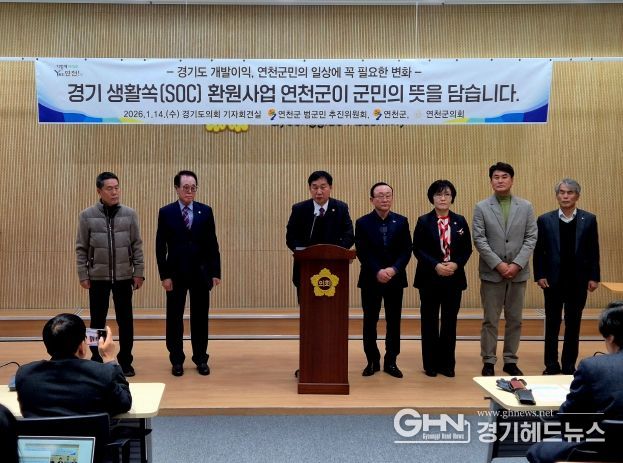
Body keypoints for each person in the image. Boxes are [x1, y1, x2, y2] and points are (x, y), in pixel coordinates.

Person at [527, 302, 623, 463]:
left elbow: (569, 418)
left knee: (536, 451)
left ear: (611, 337)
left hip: (598, 449)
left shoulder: (592, 366)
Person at [76, 171, 144, 377]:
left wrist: (139, 271)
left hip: (124, 276)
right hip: (98, 277)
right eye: (109, 189)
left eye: (117, 188)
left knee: (126, 321)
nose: (114, 192)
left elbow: (137, 245)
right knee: (96, 321)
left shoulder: (130, 214)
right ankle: (96, 358)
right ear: (99, 191)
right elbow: (81, 248)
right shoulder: (86, 215)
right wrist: (83, 274)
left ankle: (126, 360)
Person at [472, 162, 537, 376]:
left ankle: (510, 360)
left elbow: (531, 237)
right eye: (496, 177)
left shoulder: (526, 206)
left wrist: (517, 264)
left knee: (515, 319)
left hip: (518, 273)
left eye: (504, 176)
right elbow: (479, 239)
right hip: (492, 273)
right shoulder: (482, 207)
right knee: (490, 320)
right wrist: (499, 264)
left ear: (512, 179)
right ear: (491, 181)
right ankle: (489, 360)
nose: (500, 180)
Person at [156, 170, 221, 377]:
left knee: (200, 318)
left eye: (193, 188)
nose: (189, 191)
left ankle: (201, 358)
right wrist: (164, 275)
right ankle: (176, 359)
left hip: (201, 274)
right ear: (177, 188)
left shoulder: (205, 211)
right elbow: (160, 247)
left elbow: (212, 244)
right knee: (174, 318)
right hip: (175, 274)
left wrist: (215, 271)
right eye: (185, 187)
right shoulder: (166, 212)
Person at [534, 178, 600, 375]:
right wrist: (540, 274)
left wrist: (594, 277)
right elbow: (539, 251)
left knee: (573, 324)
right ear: (557, 196)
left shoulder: (589, 219)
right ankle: (551, 365)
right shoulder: (545, 219)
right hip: (552, 280)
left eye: (570, 192)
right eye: (561, 192)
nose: (565, 196)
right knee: (552, 324)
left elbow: (593, 250)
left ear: (577, 196)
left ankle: (569, 365)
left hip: (578, 281)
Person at [15, 313, 131, 417]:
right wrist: (109, 358)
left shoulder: (25, 375)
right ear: (81, 347)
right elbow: (124, 403)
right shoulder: (102, 374)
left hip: (43, 435)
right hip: (89, 435)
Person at [413, 180, 472, 378]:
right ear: (432, 198)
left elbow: (467, 249)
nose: (443, 198)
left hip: (453, 278)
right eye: (438, 194)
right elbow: (418, 249)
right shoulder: (423, 221)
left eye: (447, 194)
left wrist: (456, 264)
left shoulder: (460, 221)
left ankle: (447, 364)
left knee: (449, 322)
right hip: (429, 278)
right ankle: (430, 364)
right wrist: (436, 265)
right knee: (429, 322)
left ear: (452, 197)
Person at [355, 182, 412, 378]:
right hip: (371, 279)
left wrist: (394, 269)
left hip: (395, 279)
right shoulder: (362, 222)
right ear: (372, 200)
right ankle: (372, 360)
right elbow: (362, 251)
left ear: (392, 198)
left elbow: (407, 250)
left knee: (393, 321)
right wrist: (377, 270)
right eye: (380, 195)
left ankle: (391, 361)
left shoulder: (402, 221)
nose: (384, 199)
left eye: (388, 195)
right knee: (370, 321)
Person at [286, 170, 354, 289]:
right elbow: (291, 237)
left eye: (323, 187)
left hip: (335, 265)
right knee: (306, 298)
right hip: (305, 266)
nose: (319, 192)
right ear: (309, 188)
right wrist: (305, 252)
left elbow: (348, 235)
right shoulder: (299, 209)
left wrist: (335, 252)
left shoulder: (341, 208)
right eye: (315, 187)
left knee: (335, 298)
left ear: (330, 187)